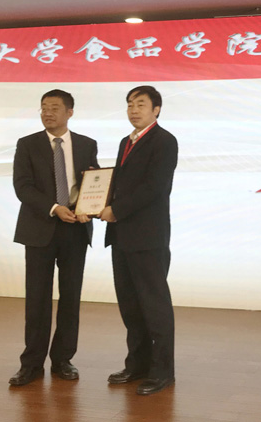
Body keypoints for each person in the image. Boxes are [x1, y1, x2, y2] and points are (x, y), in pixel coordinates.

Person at [9, 89, 98, 386]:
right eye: (44, 107)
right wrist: (54, 208)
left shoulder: (86, 144)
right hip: (40, 228)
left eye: (55, 108)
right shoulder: (27, 144)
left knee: (71, 298)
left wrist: (88, 208)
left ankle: (63, 360)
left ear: (69, 112)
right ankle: (32, 364)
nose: (48, 113)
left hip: (75, 229)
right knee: (37, 299)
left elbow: (93, 182)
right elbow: (22, 186)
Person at [99, 85, 178, 396]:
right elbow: (122, 182)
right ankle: (137, 365)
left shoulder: (164, 141)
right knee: (130, 306)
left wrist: (116, 210)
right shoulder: (126, 141)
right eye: (130, 104)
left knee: (155, 307)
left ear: (156, 109)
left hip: (148, 237)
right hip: (121, 236)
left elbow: (154, 187)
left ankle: (162, 372)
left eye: (141, 104)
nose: (133, 110)